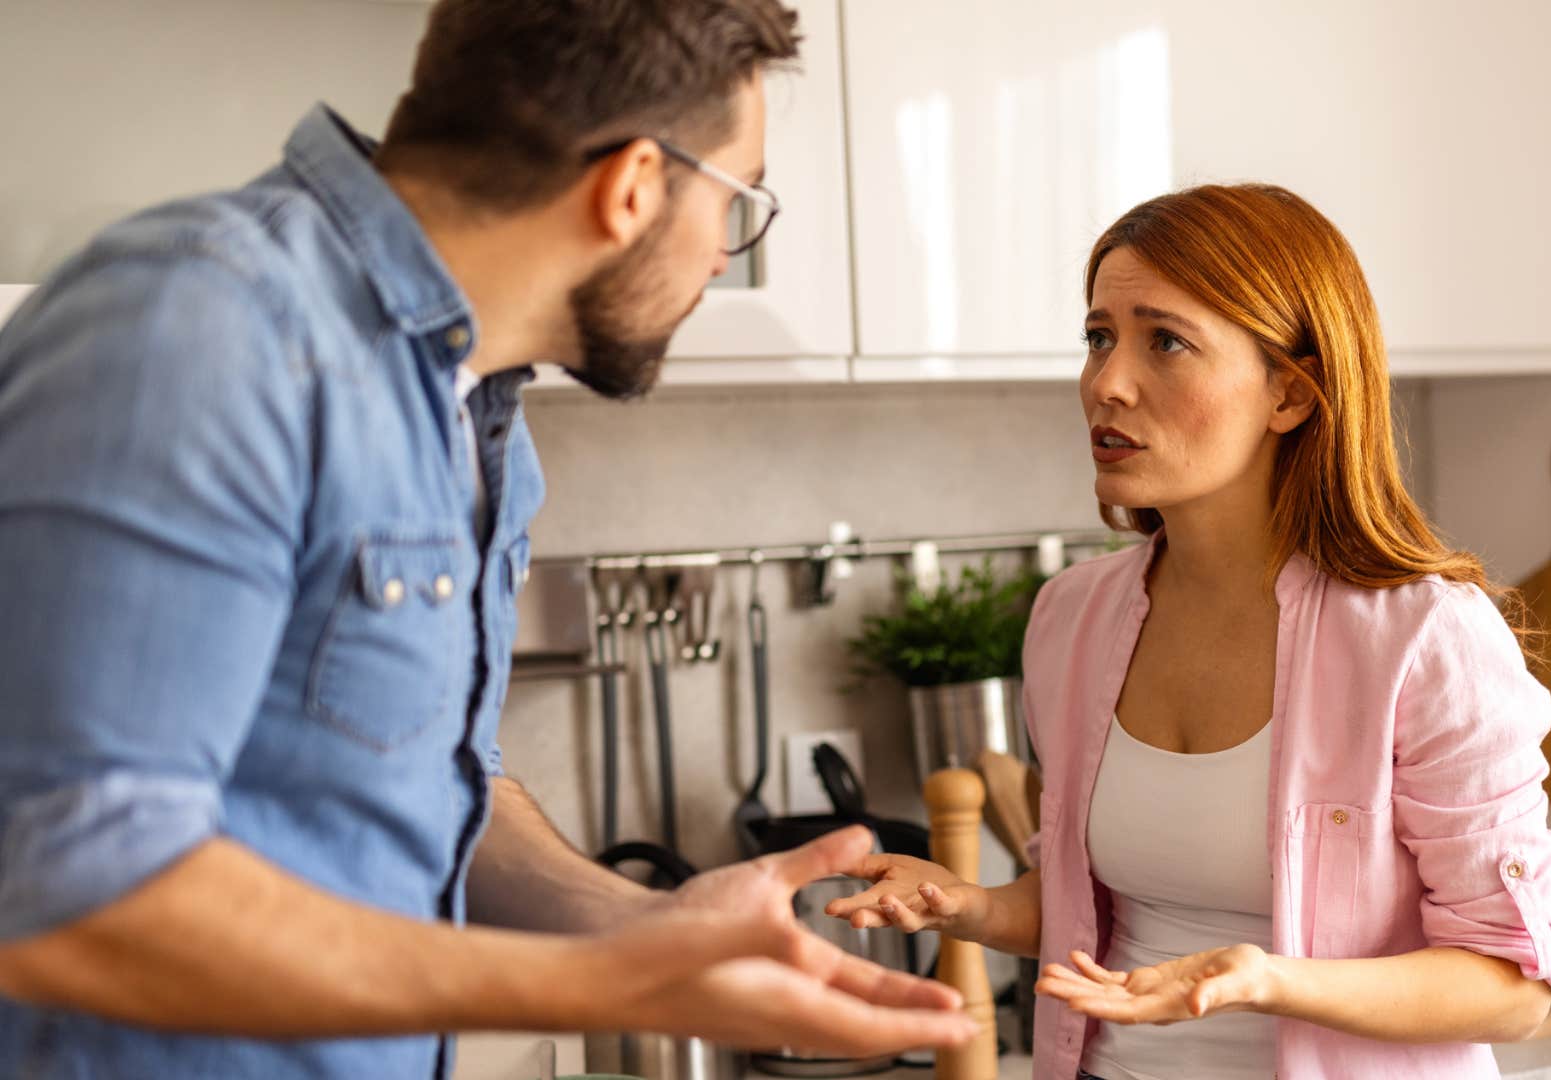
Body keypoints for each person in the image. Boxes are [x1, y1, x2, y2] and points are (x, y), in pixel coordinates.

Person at [0, 1, 973, 1075]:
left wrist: (654, 928)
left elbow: (435, 784)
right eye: (734, 202)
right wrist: (605, 985)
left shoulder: (476, 421)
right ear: (632, 187)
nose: (716, 259)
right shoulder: (204, 327)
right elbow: (66, 887)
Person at [826, 184, 1551, 1079]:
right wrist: (968, 906)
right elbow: (1090, 908)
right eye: (1098, 337)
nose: (1107, 383)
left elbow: (1513, 988)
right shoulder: (1072, 619)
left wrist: (1269, 981)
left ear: (1290, 394)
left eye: (1166, 342)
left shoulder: (1423, 638)